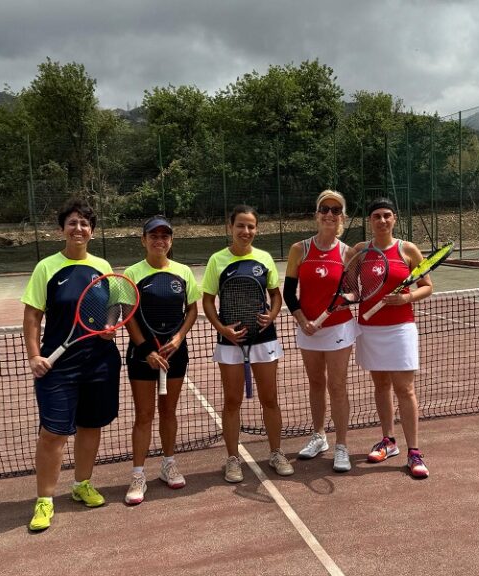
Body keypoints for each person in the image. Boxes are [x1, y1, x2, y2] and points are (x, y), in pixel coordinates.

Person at [21, 197, 122, 531]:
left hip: (99, 362)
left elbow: (112, 306)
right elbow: (33, 315)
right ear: (62, 229)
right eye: (73, 223)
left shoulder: (102, 266)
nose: (79, 228)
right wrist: (35, 355)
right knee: (53, 433)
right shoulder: (46, 268)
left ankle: (82, 484)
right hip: (59, 366)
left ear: (91, 231)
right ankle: (45, 500)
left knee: (91, 426)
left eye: (84, 223)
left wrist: (109, 325)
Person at [202, 205, 294, 482]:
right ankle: (232, 459)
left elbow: (275, 295)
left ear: (256, 229)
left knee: (270, 399)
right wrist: (221, 328)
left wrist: (273, 314)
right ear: (231, 227)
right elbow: (207, 300)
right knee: (232, 401)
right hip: (230, 340)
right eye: (240, 225)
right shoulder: (217, 260)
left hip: (264, 339)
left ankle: (276, 453)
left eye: (251, 226)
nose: (246, 231)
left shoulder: (264, 258)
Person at [122, 215, 201, 505]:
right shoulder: (132, 273)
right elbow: (127, 316)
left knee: (169, 412)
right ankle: (138, 474)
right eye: (153, 236)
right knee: (144, 416)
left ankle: (169, 464)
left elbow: (192, 309)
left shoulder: (184, 272)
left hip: (175, 354)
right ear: (143, 240)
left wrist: (179, 338)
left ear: (171, 240)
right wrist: (147, 351)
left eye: (164, 236)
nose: (159, 240)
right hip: (142, 357)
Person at [355, 197, 432, 478]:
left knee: (405, 389)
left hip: (400, 328)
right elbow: (352, 288)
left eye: (387, 215)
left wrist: (406, 298)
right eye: (376, 216)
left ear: (394, 219)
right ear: (370, 221)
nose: (382, 220)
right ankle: (388, 441)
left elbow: (427, 286)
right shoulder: (360, 251)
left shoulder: (408, 250)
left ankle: (414, 452)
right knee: (380, 385)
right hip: (369, 327)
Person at [283, 190, 357, 472]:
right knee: (315, 383)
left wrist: (342, 302)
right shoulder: (298, 249)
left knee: (337, 385)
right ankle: (318, 436)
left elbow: (353, 293)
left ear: (342, 217)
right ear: (316, 214)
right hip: (308, 329)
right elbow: (290, 293)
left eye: (335, 210)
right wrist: (302, 320)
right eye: (324, 209)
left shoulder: (347, 253)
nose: (329, 214)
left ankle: (341, 446)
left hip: (338, 328)